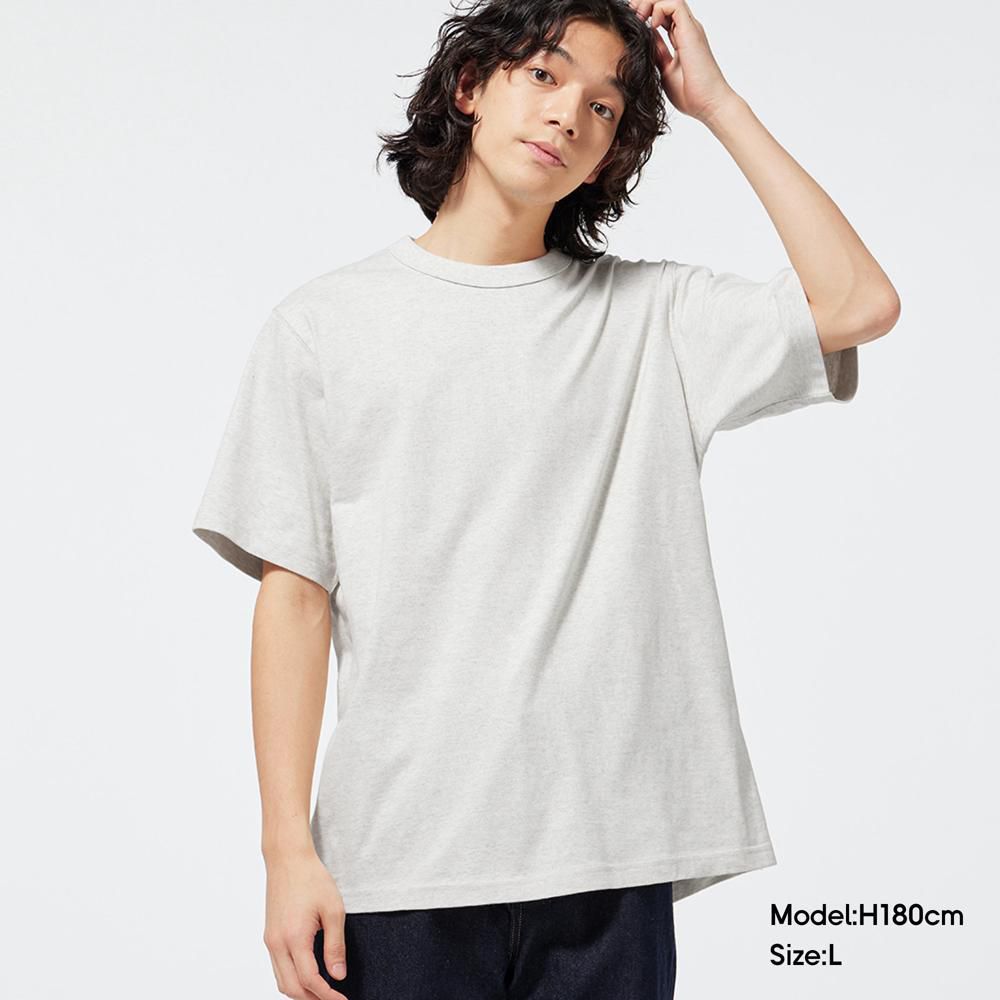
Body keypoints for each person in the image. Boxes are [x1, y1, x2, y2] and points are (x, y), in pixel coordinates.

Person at [191, 1, 899, 997]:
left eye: (605, 106)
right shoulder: (324, 327)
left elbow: (859, 302)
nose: (570, 112)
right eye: (544, 74)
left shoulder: (652, 318)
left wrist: (719, 104)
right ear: (470, 88)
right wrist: (285, 853)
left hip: (609, 863)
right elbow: (294, 597)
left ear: (609, 155)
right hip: (400, 865)